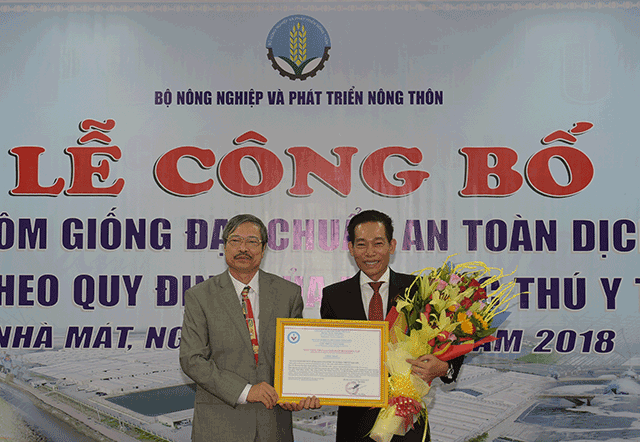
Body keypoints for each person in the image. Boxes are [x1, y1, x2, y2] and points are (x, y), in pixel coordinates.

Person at [320, 209, 464, 442]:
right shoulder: (334, 296)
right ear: (351, 248)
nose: (370, 253)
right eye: (361, 244)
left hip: (408, 424)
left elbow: (448, 340)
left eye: (378, 243)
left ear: (392, 245)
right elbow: (328, 355)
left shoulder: (419, 289)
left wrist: (444, 368)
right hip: (355, 427)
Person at [180, 214, 319, 442]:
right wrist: (245, 391)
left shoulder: (288, 294)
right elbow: (192, 359)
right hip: (219, 428)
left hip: (274, 427)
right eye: (235, 240)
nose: (243, 248)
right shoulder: (200, 296)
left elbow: (296, 357)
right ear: (225, 247)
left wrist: (299, 392)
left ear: (263, 250)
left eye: (252, 241)